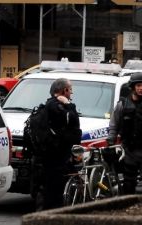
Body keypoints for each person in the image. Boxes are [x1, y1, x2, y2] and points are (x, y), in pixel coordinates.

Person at [107, 72, 142, 194]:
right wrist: (110, 142)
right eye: (138, 86)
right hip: (129, 150)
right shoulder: (122, 105)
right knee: (128, 184)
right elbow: (114, 125)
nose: (141, 88)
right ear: (132, 87)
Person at [38, 78, 82, 210]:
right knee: (55, 189)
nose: (71, 93)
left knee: (52, 187)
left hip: (54, 153)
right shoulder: (56, 106)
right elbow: (73, 120)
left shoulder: (50, 104)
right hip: (56, 154)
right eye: (70, 90)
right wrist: (69, 105)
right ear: (64, 90)